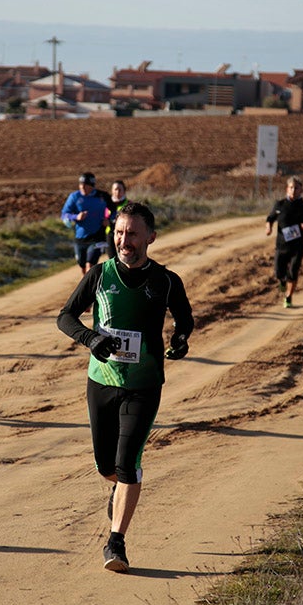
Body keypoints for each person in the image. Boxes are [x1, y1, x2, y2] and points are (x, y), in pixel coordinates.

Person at [56, 202, 194, 573]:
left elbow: (185, 320)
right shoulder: (100, 276)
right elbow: (65, 317)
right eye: (119, 232)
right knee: (106, 465)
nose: (124, 240)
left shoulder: (165, 281)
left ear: (150, 237)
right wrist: (90, 339)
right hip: (101, 382)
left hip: (144, 385)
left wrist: (180, 340)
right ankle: (117, 490)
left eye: (132, 233)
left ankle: (116, 542)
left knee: (128, 463)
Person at [265, 176, 303, 308]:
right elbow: (270, 218)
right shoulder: (280, 205)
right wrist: (269, 227)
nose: (293, 190)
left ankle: (288, 297)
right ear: (287, 189)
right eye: (291, 188)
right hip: (281, 246)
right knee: (278, 272)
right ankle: (282, 281)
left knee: (293, 272)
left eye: (296, 188)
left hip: (297, 247)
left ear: (301, 190)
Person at [61, 172, 110, 274]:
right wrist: (76, 217)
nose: (82, 187)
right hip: (80, 237)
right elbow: (64, 215)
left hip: (97, 236)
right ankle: (89, 287)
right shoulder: (74, 197)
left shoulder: (102, 196)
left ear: (92, 185)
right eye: (80, 184)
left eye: (85, 184)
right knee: (83, 266)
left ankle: (90, 288)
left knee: (90, 266)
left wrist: (109, 220)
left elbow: (114, 210)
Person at [105, 179, 129, 259]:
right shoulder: (106, 205)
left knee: (125, 258)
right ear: (112, 191)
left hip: (124, 235)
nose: (117, 192)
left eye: (120, 189)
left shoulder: (129, 204)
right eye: (115, 189)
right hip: (110, 235)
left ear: (124, 191)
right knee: (112, 260)